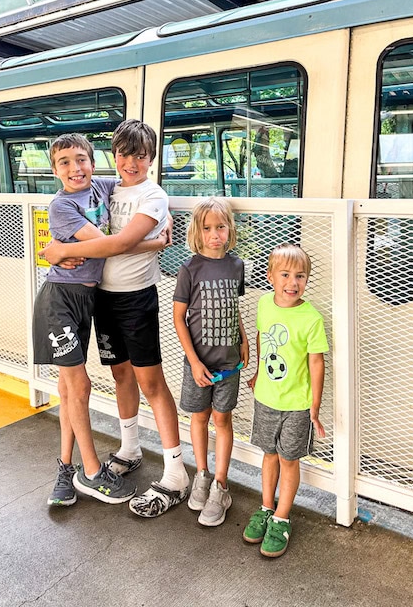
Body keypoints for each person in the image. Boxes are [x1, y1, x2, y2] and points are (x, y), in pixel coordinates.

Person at [41, 119, 190, 517]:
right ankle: (130, 447)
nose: (131, 162)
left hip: (136, 300)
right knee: (121, 376)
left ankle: (176, 470)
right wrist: (52, 250)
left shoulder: (153, 195)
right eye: (124, 154)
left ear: (152, 158)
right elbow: (98, 235)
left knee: (151, 382)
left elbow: (121, 242)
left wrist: (57, 251)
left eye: (141, 155)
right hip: (101, 299)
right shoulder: (108, 187)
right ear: (114, 156)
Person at [244, 243, 328, 558]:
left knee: (288, 460)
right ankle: (266, 508)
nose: (293, 283)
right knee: (269, 455)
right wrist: (256, 373)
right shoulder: (264, 304)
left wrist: (315, 406)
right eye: (285, 274)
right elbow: (263, 337)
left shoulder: (311, 318)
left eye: (300, 276)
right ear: (270, 277)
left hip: (297, 405)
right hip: (265, 399)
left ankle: (281, 517)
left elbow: (317, 363)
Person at [173, 197, 249, 527]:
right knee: (199, 417)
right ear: (198, 231)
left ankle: (220, 485)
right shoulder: (190, 268)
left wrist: (243, 338)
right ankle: (201, 474)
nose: (215, 234)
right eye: (207, 228)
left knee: (222, 419)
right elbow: (179, 319)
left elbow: (234, 307)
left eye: (220, 227)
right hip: (199, 364)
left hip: (229, 361)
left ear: (230, 229)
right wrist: (193, 362)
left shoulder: (236, 266)